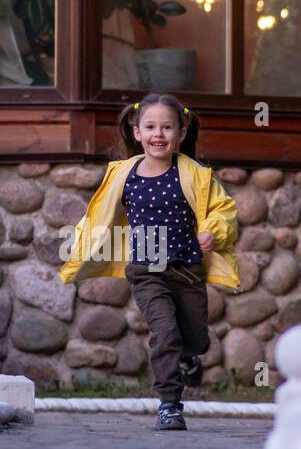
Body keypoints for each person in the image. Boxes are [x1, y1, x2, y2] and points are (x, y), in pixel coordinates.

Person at [59, 93, 240, 430]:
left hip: (187, 267)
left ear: (181, 134)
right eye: (151, 127)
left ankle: (189, 356)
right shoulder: (123, 174)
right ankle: (169, 405)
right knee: (165, 333)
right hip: (147, 268)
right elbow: (98, 215)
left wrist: (214, 232)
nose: (159, 134)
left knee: (195, 338)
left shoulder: (195, 174)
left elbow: (223, 210)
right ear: (137, 131)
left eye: (167, 127)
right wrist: (80, 246)